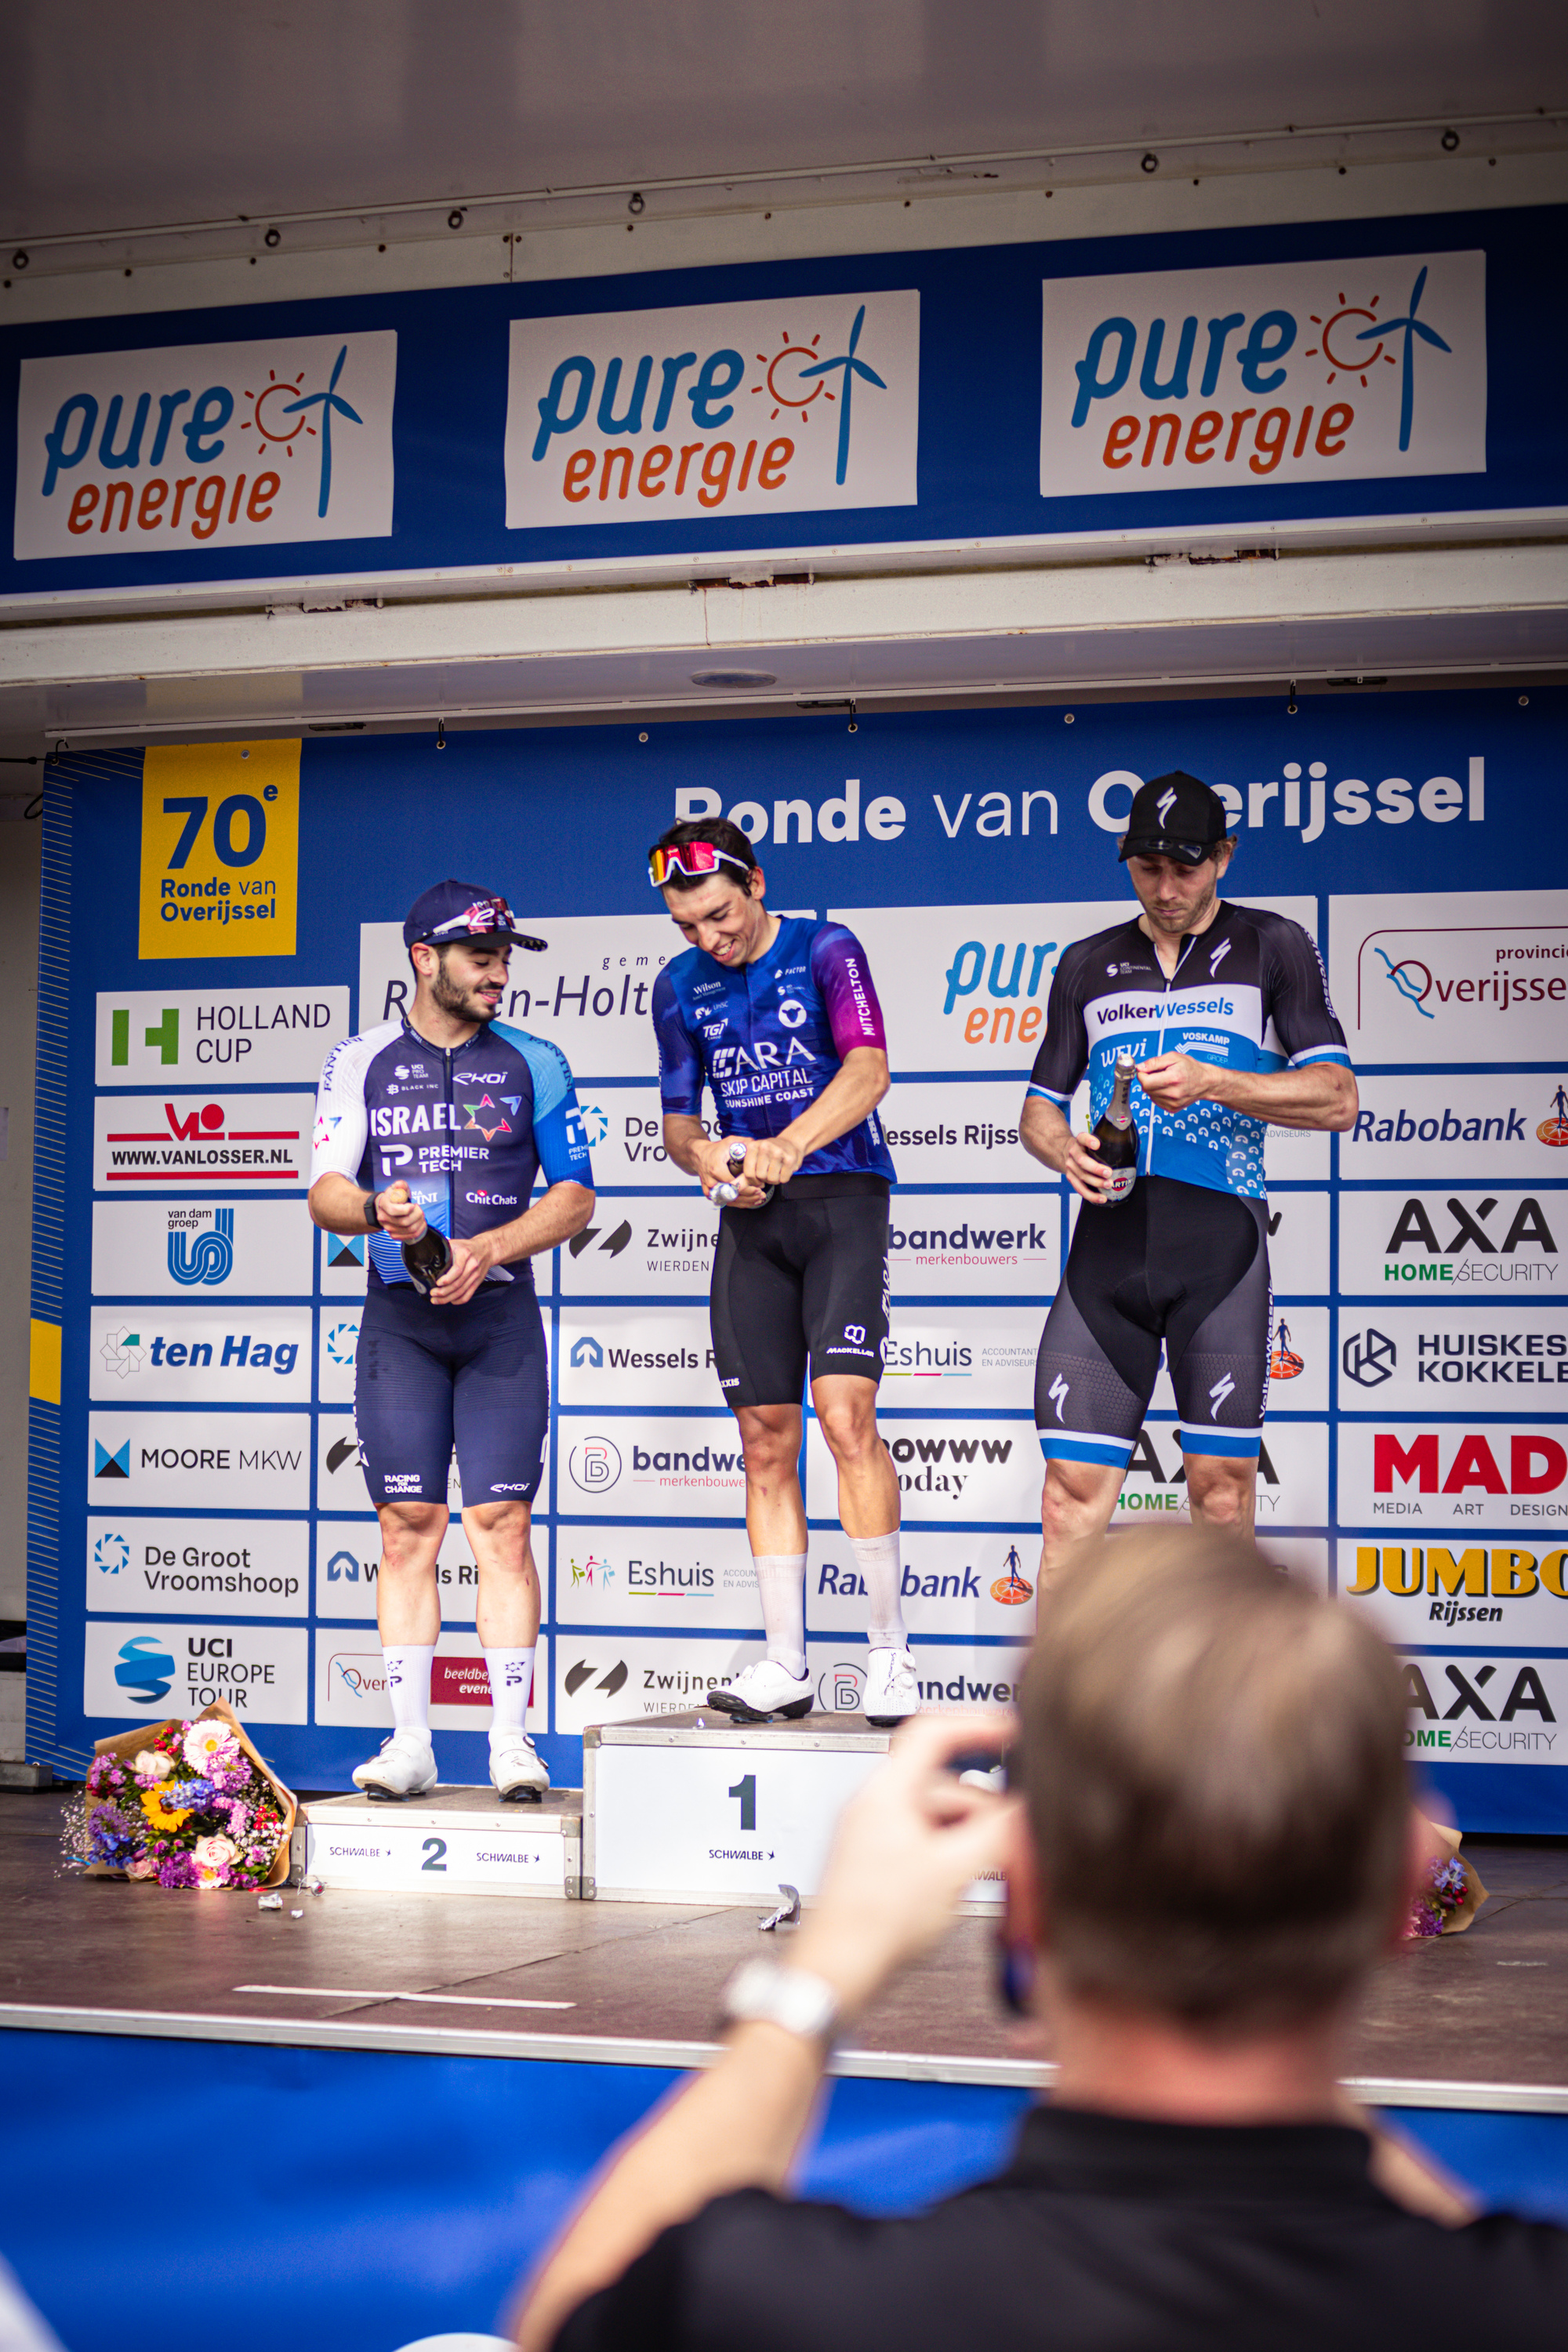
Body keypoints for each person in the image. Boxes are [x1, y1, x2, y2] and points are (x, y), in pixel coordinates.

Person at [512, 1524, 1568, 2352]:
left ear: (1022, 1898)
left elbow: (562, 2321)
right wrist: (1280, 1922)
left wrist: (819, 1974)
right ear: (1389, 1895)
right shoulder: (1525, 2310)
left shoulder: (778, 2304)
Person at [1022, 771, 1357, 1580]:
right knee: (1068, 1496)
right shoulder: (1085, 962)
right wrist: (1058, 1144)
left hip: (1218, 1256)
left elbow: (1337, 1098)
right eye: (1146, 869)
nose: (1165, 889)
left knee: (1216, 1494)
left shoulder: (1270, 945)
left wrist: (1215, 1081)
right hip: (1104, 1260)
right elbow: (1035, 1107)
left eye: (1184, 867)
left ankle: (1217, 1704)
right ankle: (1066, 1710)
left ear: (1222, 858)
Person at [310, 880, 595, 1799]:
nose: (499, 974)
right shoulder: (358, 1060)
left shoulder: (534, 1061)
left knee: (502, 1527)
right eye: (483, 956)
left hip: (499, 1320)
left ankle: (510, 1741)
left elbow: (576, 1194)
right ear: (423, 959)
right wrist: (371, 1208)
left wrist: (490, 1246)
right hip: (400, 1325)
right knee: (406, 1528)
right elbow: (322, 1192)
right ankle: (410, 1743)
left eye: (506, 957)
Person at [647, 818, 916, 1727]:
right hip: (749, 1219)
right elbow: (677, 1119)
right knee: (764, 1438)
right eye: (687, 926)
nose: (708, 939)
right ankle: (786, 1663)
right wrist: (712, 1157)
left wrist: (787, 1147)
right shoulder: (677, 987)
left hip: (840, 1201)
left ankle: (888, 1656)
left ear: (755, 883)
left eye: (719, 916)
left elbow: (869, 1070)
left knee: (845, 1419)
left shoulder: (826, 947)